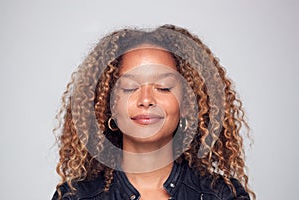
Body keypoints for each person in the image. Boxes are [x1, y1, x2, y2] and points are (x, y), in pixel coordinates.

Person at [52, 24, 255, 200]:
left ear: (187, 105)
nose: (146, 100)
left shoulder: (222, 195)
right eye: (130, 88)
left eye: (164, 87)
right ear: (110, 105)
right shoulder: (76, 196)